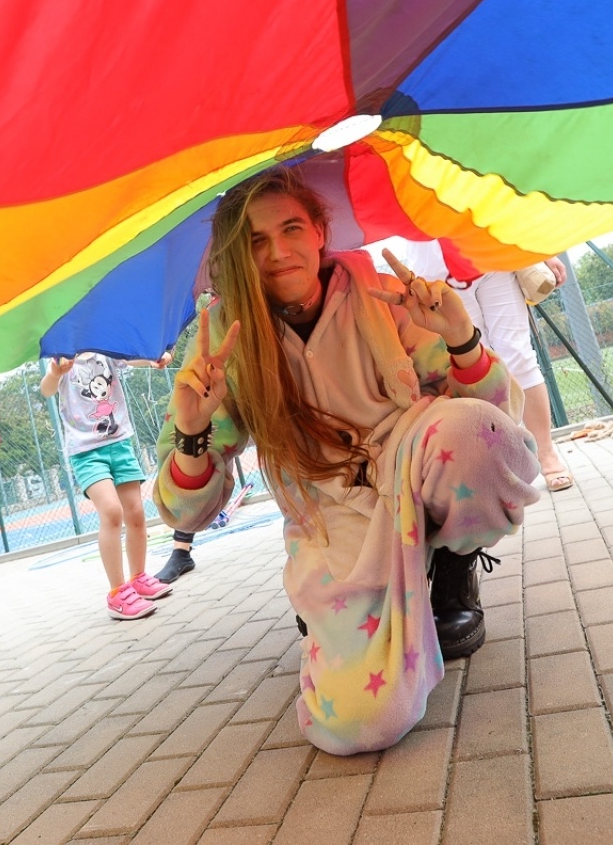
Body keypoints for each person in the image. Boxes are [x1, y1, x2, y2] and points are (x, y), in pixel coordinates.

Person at [154, 169, 540, 755]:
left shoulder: (391, 296)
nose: (279, 251)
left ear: (318, 231)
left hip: (413, 465)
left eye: (291, 229)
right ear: (237, 256)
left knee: (478, 439)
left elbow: (500, 429)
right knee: (360, 723)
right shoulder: (220, 342)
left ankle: (450, 568)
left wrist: (462, 339)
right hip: (331, 519)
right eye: (257, 241)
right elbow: (187, 510)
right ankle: (335, 621)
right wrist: (191, 431)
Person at [376, 240, 575, 491]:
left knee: (519, 355)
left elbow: (501, 199)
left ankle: (547, 455)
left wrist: (542, 250)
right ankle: (502, 464)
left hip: (492, 255)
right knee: (474, 365)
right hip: (438, 271)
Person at [43, 352, 175, 619]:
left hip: (120, 444)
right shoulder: (63, 359)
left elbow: (131, 357)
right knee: (112, 512)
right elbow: (46, 389)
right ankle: (117, 593)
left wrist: (153, 358)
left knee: (135, 513)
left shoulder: (105, 350)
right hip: (86, 452)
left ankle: (138, 577)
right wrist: (56, 373)